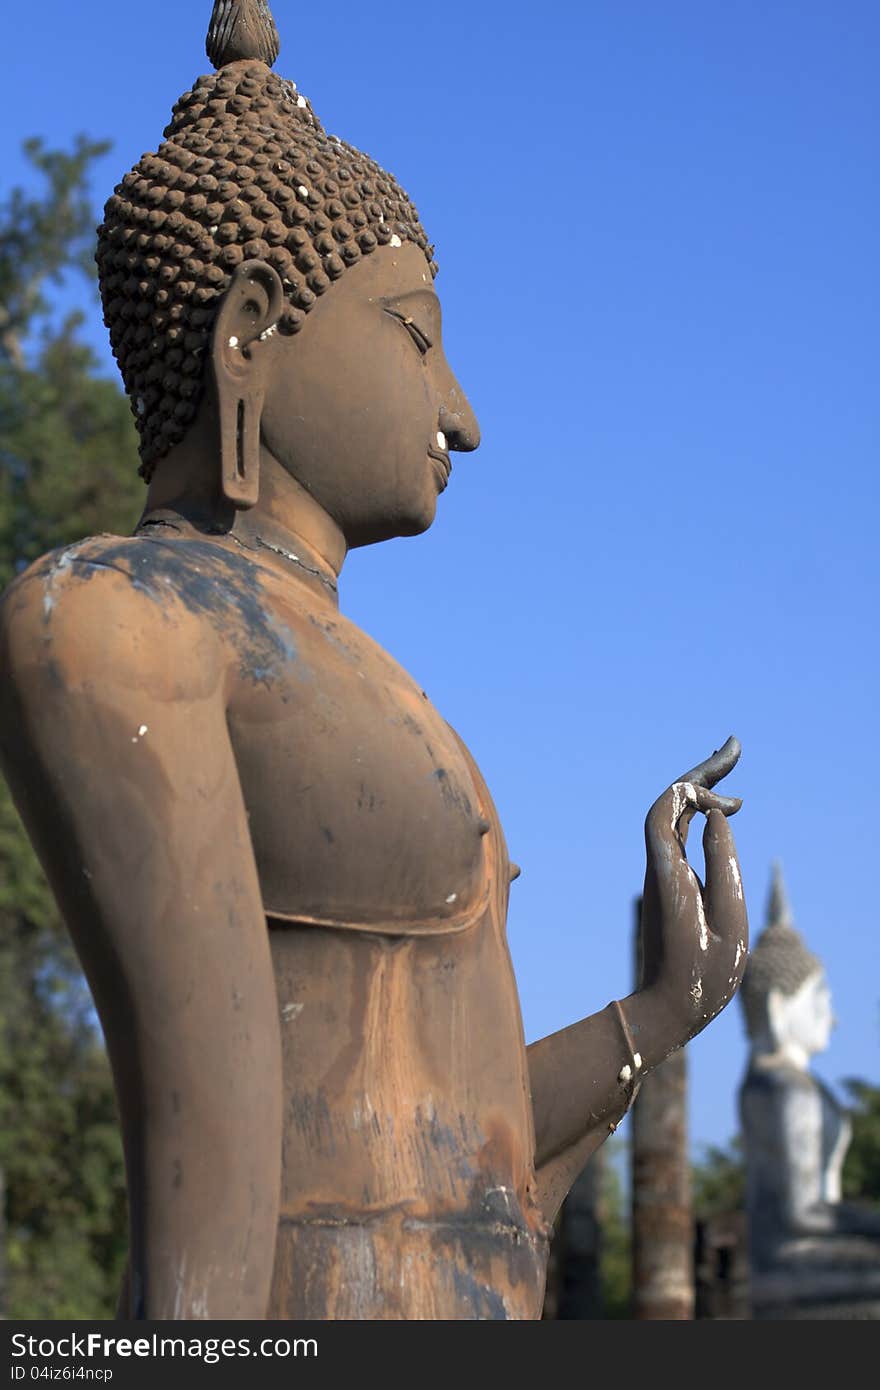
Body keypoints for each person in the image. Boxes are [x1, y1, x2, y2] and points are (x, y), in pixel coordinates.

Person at [0, 0, 749, 1319]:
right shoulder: (125, 618)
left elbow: (467, 1155)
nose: (460, 412)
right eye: (416, 333)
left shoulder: (367, 672)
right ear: (248, 336)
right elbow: (215, 1189)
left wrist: (660, 1010)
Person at [738, 866, 880, 1317]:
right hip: (787, 1258)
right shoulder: (782, 1088)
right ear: (778, 1007)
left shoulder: (792, 1084)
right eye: (820, 1000)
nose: (831, 1017)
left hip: (815, 1250)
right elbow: (802, 1212)